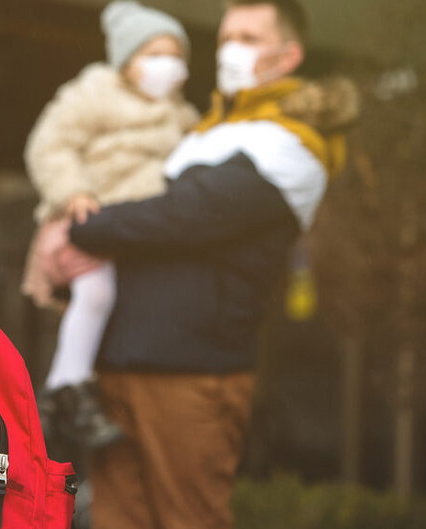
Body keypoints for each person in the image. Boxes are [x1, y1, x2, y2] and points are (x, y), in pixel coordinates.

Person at [68, 1, 358, 528]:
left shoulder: (295, 143)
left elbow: (179, 217)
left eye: (247, 37)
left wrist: (78, 224)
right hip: (119, 363)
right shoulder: (203, 131)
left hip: (193, 374)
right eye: (226, 37)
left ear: (288, 55)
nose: (229, 49)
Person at [22, 0, 198, 451]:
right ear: (125, 61)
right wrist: (72, 191)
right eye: (153, 54)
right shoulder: (95, 93)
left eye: (175, 56)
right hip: (82, 224)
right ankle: (68, 390)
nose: (167, 65)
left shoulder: (182, 116)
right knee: (97, 295)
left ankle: (60, 397)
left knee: (111, 303)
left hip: (129, 238)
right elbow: (49, 143)